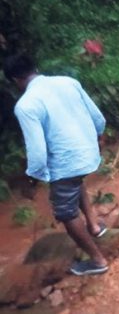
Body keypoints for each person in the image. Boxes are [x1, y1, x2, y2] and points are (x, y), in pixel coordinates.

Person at [3, 54, 109, 276]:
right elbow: (97, 117)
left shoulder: (26, 105)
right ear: (36, 68)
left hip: (67, 160)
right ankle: (94, 226)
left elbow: (38, 150)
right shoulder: (68, 82)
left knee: (65, 212)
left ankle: (98, 261)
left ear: (15, 80)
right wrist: (99, 137)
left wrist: (34, 176)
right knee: (73, 181)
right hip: (88, 152)